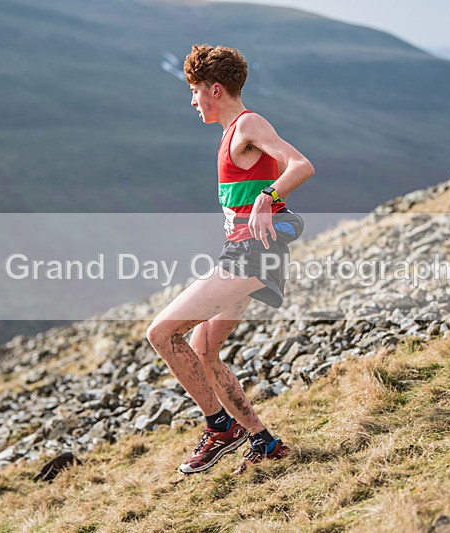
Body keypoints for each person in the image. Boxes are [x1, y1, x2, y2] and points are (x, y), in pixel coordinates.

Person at [146, 44, 314, 475]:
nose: (192, 100)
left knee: (162, 334)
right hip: (245, 253)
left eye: (194, 90)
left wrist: (267, 197)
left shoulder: (247, 124)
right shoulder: (232, 134)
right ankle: (263, 441)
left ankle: (219, 428)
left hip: (252, 256)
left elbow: (301, 164)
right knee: (204, 348)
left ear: (214, 89)